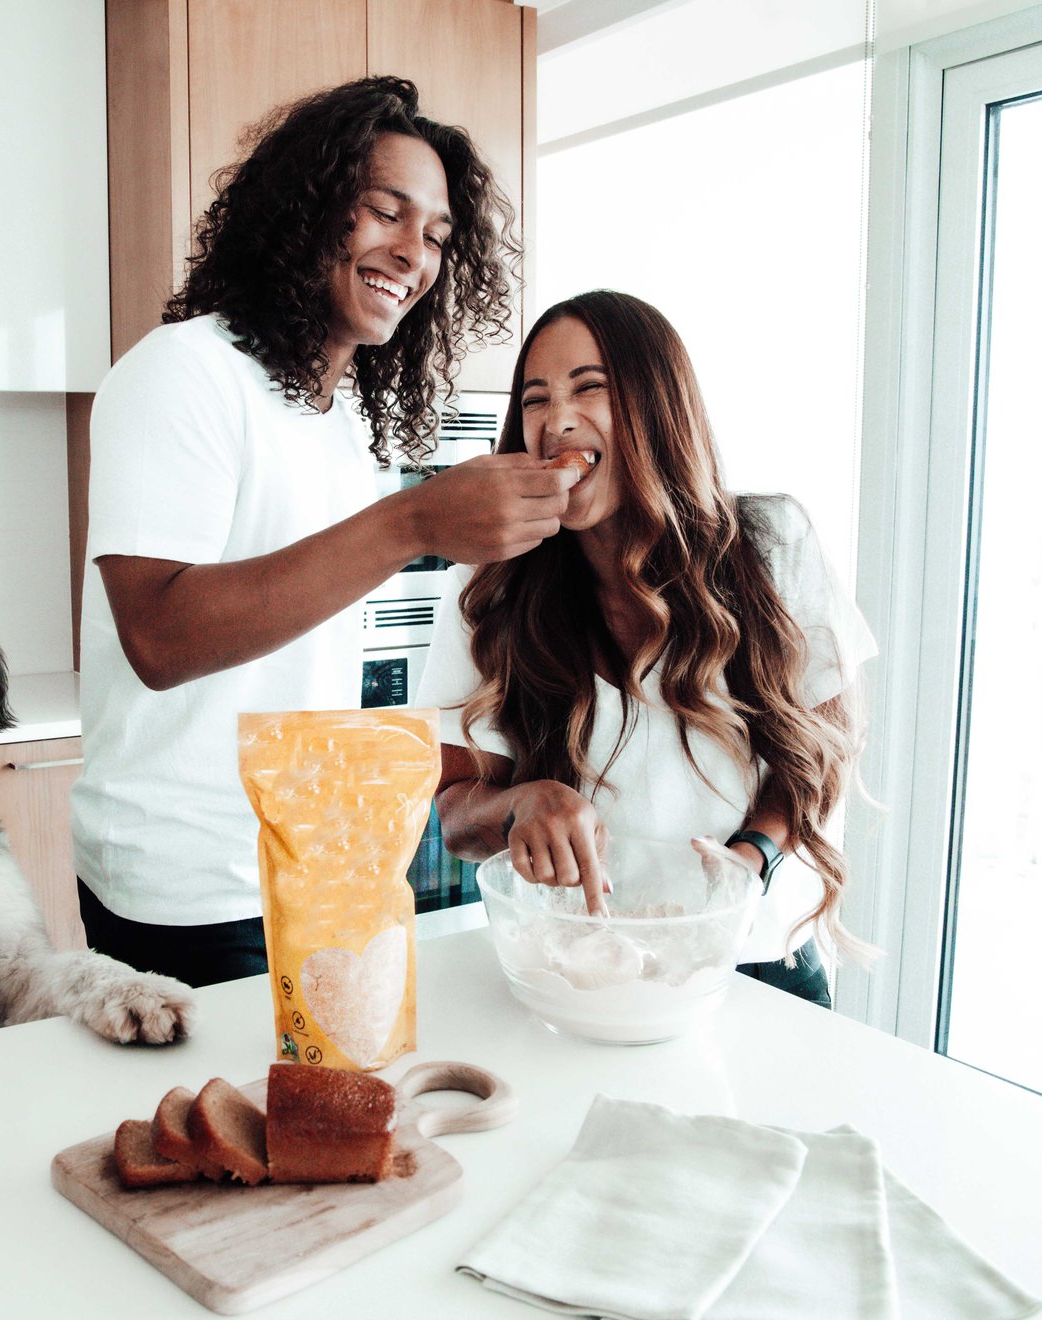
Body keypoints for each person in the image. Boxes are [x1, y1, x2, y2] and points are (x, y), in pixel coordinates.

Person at [74, 78, 578, 988]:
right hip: (189, 883)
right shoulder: (181, 375)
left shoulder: (345, 418)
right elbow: (157, 635)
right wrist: (415, 520)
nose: (412, 254)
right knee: (212, 1131)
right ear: (304, 210)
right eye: (386, 212)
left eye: (435, 237)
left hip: (313, 868)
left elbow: (302, 676)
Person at [415, 290, 877, 1007]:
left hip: (756, 973)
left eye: (590, 387)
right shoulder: (485, 590)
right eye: (535, 400)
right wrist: (520, 805)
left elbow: (827, 747)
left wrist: (747, 859)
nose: (556, 421)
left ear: (658, 405)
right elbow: (452, 815)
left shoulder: (772, 546)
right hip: (577, 979)